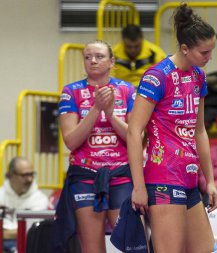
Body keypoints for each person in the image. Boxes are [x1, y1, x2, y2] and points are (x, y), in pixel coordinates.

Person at [126, 3, 217, 253]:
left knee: (205, 249)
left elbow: (199, 131)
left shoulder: (199, 76)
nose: (209, 58)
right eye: (204, 52)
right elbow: (134, 132)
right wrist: (138, 187)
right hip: (163, 179)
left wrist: (209, 180)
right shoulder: (157, 77)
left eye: (212, 51)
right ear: (185, 48)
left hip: (189, 180)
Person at [54, 40, 135, 253]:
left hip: (121, 175)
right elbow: (71, 141)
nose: (93, 61)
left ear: (112, 61)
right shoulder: (71, 91)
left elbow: (135, 137)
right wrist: (96, 108)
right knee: (92, 248)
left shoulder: (126, 90)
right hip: (85, 176)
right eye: (88, 57)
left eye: (99, 56)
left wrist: (109, 115)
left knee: (128, 246)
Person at [0, 157, 48, 253]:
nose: (30, 179)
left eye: (31, 174)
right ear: (11, 175)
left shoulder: (40, 199)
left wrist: (4, 234)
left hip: (26, 244)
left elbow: (32, 232)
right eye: (25, 175)